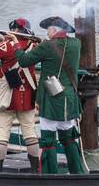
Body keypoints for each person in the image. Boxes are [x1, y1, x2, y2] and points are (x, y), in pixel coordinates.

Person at [10, 16, 84, 174]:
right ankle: (77, 173)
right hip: (69, 100)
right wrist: (41, 46)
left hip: (51, 100)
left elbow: (23, 61)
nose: (47, 32)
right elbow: (54, 54)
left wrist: (15, 43)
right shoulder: (76, 44)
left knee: (48, 141)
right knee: (69, 138)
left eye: (49, 29)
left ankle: (50, 175)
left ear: (54, 30)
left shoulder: (48, 46)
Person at [0, 18, 41, 171]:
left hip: (7, 96)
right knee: (30, 132)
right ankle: (35, 170)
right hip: (28, 95)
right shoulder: (35, 45)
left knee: (2, 132)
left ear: (15, 30)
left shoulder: (5, 46)